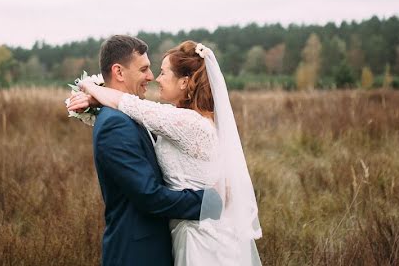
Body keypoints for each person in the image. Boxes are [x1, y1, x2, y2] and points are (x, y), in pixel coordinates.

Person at [69, 38, 262, 265]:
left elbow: (131, 105)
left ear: (184, 83)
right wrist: (208, 202)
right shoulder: (120, 122)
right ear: (119, 72)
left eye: (162, 72)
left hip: (203, 239)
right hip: (150, 247)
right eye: (145, 69)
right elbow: (148, 195)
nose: (153, 78)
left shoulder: (185, 122)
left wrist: (91, 88)